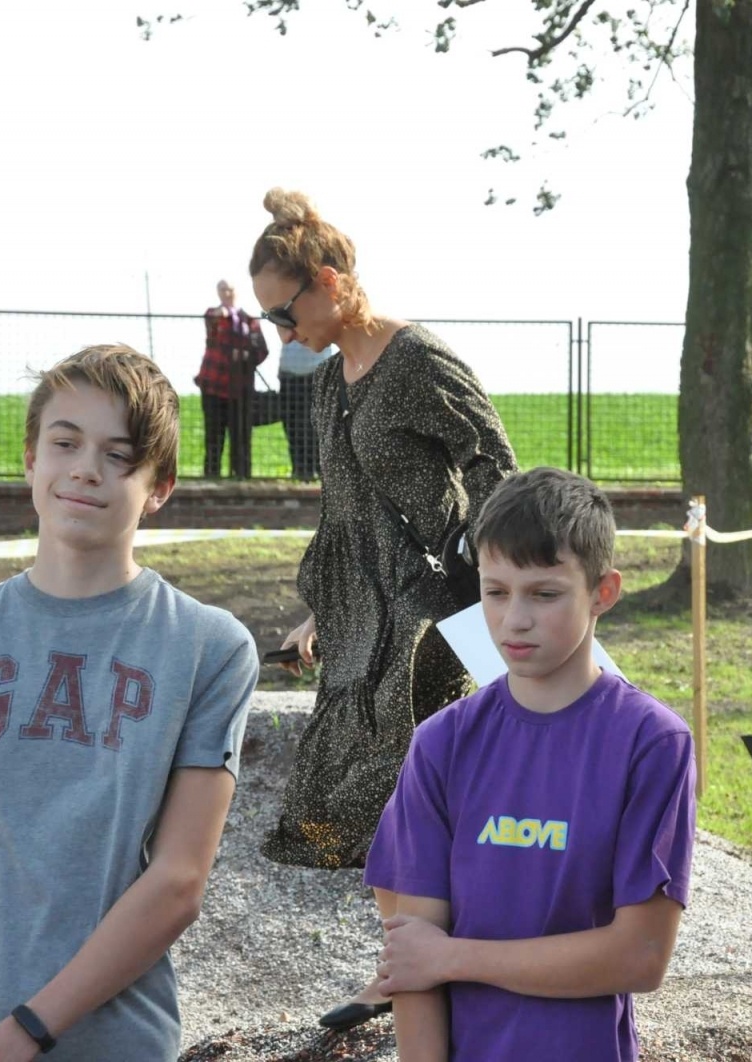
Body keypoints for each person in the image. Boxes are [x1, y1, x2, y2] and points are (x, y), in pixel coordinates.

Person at [0, 344, 260, 1061]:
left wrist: (23, 1035)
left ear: (160, 486)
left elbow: (177, 882)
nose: (84, 469)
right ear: (30, 460)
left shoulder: (208, 647)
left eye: (118, 455)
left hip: (110, 1042)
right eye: (64, 443)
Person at [246, 188, 517, 1028]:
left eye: (284, 313)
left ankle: (428, 966)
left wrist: (495, 581)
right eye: (267, 320)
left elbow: (496, 464)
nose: (280, 334)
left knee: (399, 778)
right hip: (366, 620)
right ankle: (412, 964)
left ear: (328, 283)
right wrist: (320, 615)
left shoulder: (417, 360)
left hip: (435, 613)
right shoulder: (331, 382)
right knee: (336, 795)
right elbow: (346, 515)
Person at [363, 466, 696, 1062]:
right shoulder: (442, 743)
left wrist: (456, 957)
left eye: (544, 594)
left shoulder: (650, 742)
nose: (514, 618)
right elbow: (413, 960)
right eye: (496, 592)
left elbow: (641, 956)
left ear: (603, 593)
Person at [196, 279, 269, 479]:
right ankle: (212, 476)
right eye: (223, 289)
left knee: (241, 435)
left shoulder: (249, 320)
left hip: (240, 388)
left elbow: (261, 350)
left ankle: (242, 475)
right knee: (214, 435)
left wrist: (245, 355)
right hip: (214, 386)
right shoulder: (213, 315)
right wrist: (223, 315)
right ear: (218, 292)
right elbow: (212, 326)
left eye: (230, 289)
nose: (227, 293)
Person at [277, 337, 331, 480]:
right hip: (289, 373)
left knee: (316, 426)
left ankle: (320, 470)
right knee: (291, 425)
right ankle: (300, 469)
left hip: (317, 372)